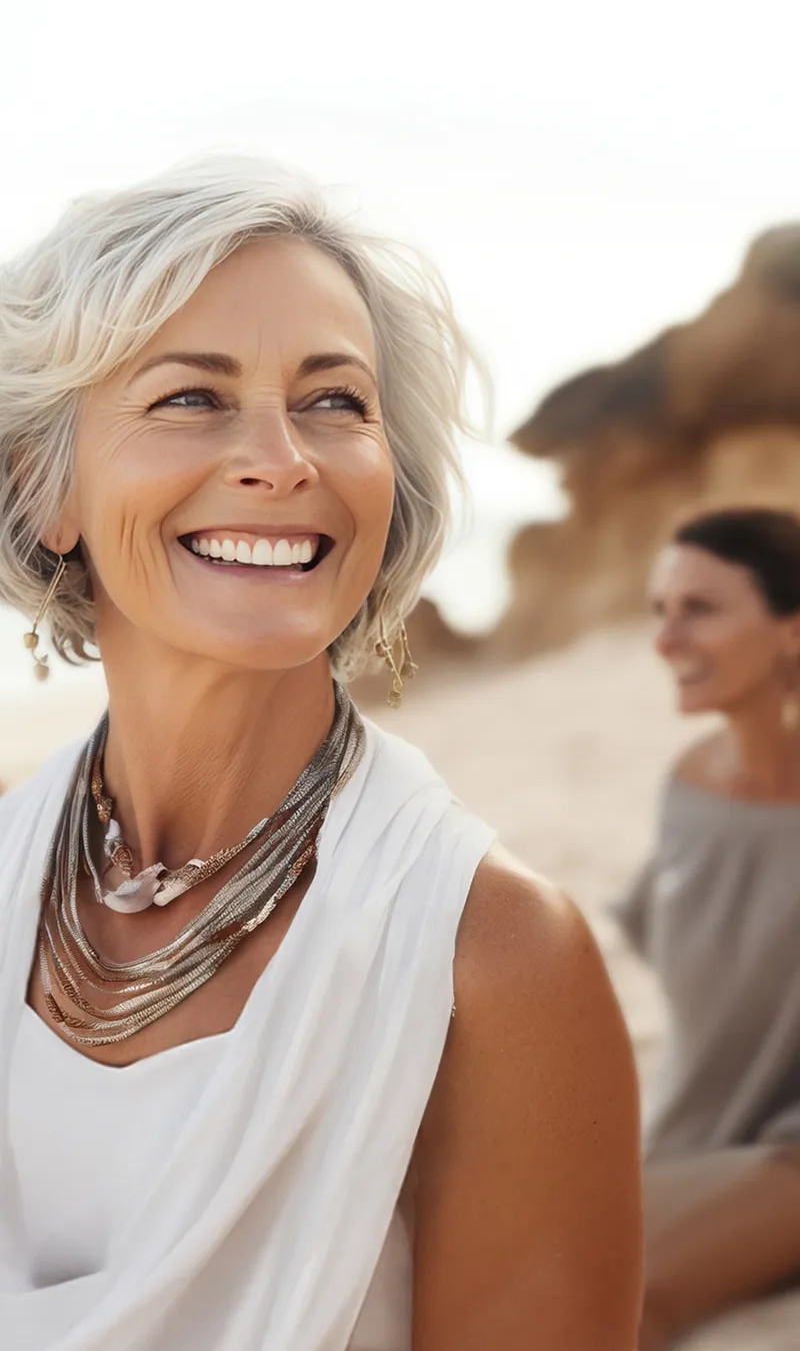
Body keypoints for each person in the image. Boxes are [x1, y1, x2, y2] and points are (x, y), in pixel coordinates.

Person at [0, 157, 641, 1351]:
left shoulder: (493, 959)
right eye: (191, 397)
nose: (282, 458)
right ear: (50, 487)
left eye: (334, 400)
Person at [612, 507, 800, 1349]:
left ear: (791, 629)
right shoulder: (688, 789)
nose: (666, 638)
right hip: (687, 1144)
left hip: (791, 1162)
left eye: (701, 608)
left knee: (610, 1301)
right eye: (659, 609)